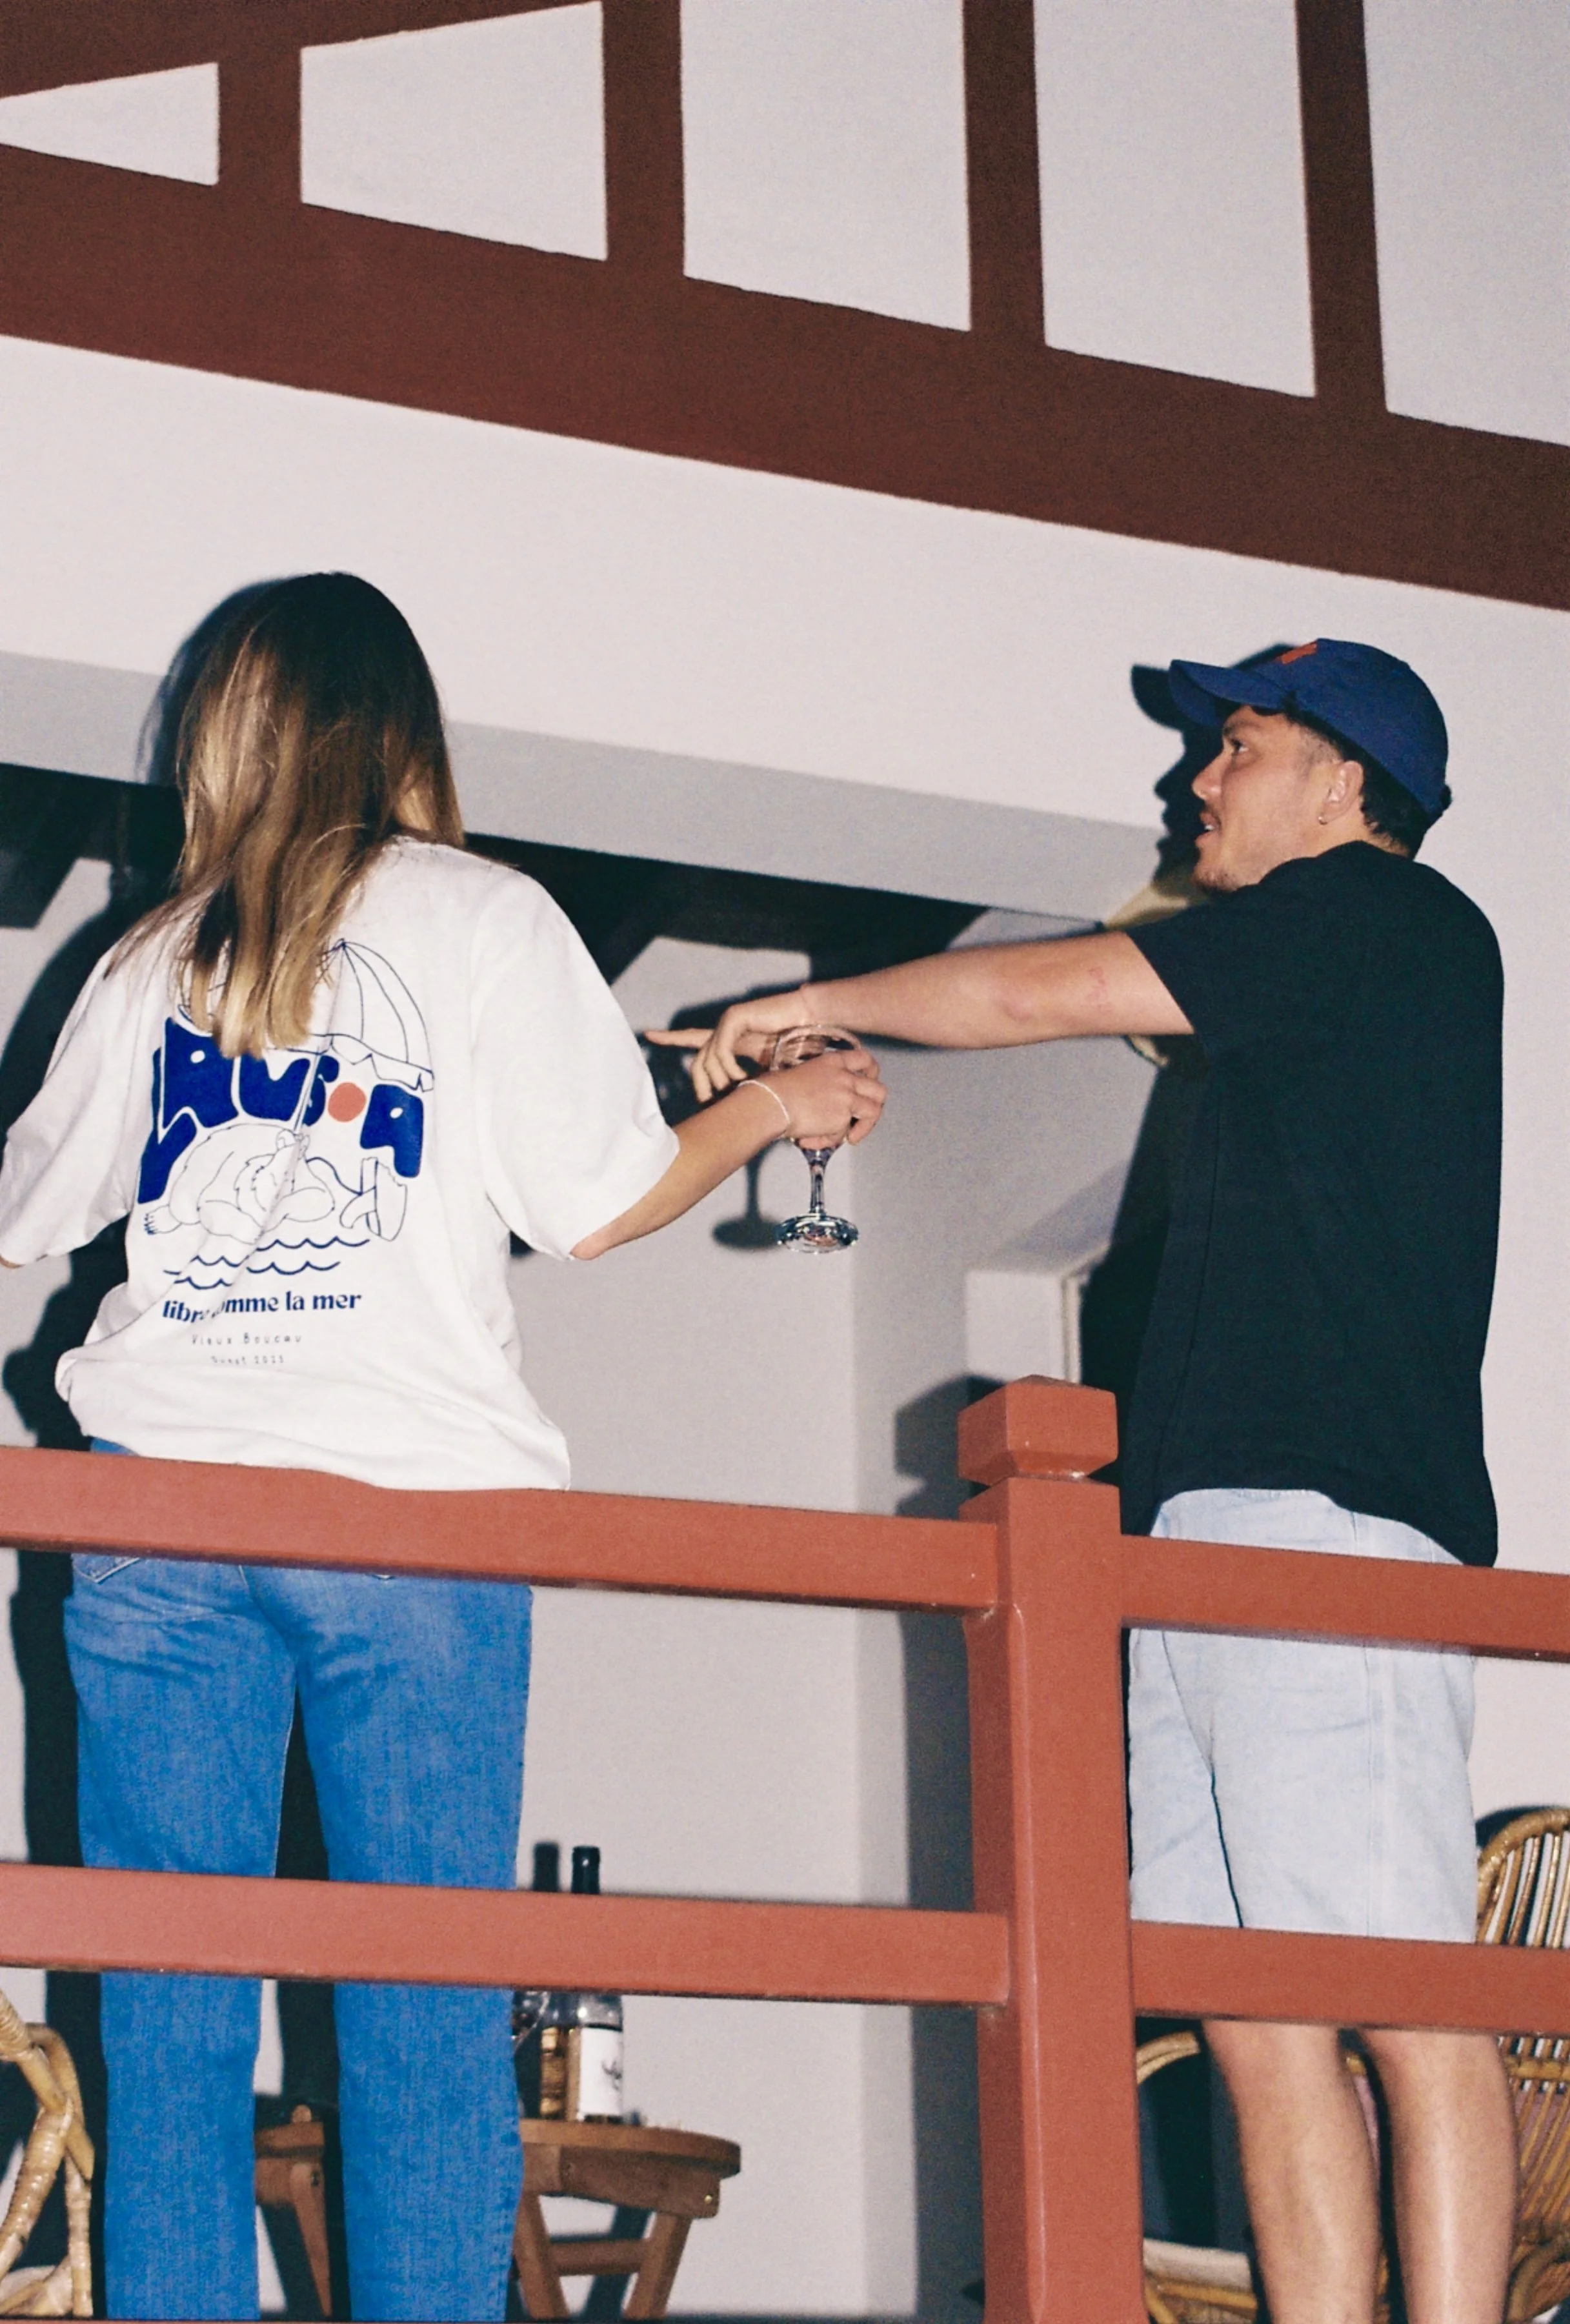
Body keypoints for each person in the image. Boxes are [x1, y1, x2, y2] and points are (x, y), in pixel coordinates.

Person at [0, 571, 883, 2323]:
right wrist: (775, 1108)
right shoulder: (493, 917)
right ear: (406, 730)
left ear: (228, 737)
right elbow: (601, 1199)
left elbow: (29, 1208)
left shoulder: (149, 956)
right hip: (414, 1532)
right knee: (424, 2014)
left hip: (166, 1519)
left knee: (169, 2022)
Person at [656, 638, 1516, 2324]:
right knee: (1253, 2013)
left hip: (1327, 1530)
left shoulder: (1388, 918)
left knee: (1411, 2000)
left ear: (1345, 786)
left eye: (1240, 745)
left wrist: (807, 1008)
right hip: (1207, 1542)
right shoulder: (1296, 995)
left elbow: (1029, 992)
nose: (1197, 778)